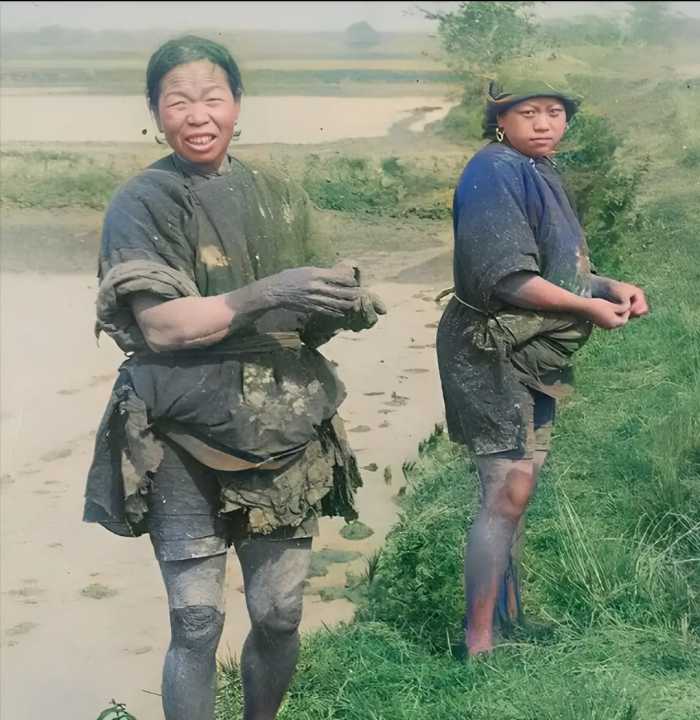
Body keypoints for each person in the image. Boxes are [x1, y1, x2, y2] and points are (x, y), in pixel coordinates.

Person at [83, 35, 384, 720]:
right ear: (156, 114)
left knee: (278, 612)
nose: (197, 113)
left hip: (284, 424)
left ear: (238, 106)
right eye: (178, 100)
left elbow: (318, 303)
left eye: (212, 97)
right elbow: (160, 325)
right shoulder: (142, 201)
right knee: (195, 621)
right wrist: (266, 292)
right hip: (177, 431)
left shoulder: (282, 196)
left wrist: (349, 302)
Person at [436, 80, 649, 657]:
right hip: (488, 346)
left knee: (520, 489)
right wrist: (587, 306)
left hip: (535, 345)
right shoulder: (493, 171)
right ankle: (477, 643)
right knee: (506, 488)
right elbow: (506, 279)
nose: (543, 124)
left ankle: (512, 616)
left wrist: (612, 286)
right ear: (499, 120)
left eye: (555, 113)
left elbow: (562, 269)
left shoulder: (542, 170)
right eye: (527, 113)